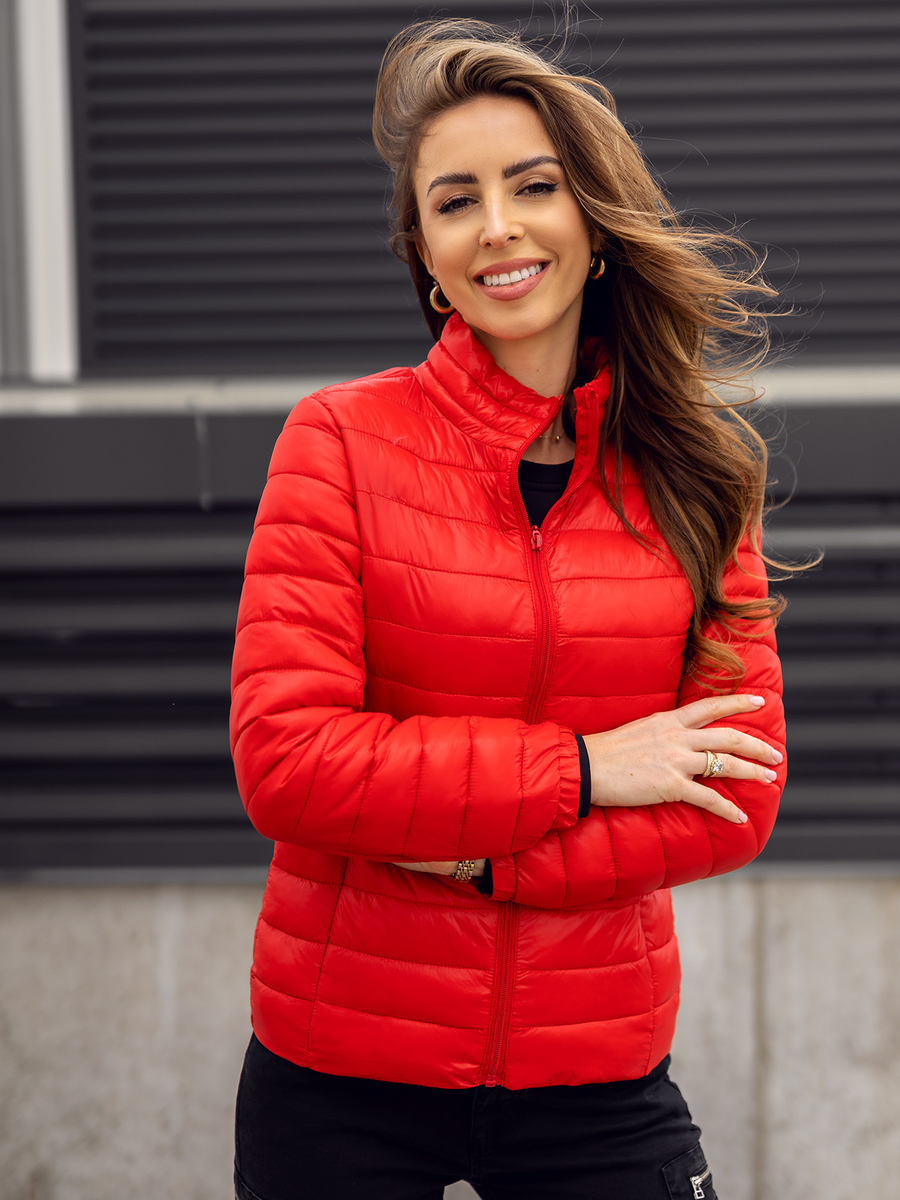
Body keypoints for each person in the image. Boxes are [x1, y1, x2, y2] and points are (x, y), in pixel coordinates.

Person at [230, 18, 787, 1200]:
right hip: (341, 1075)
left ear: (596, 224)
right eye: (455, 201)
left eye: (534, 186)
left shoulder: (695, 475)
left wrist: (479, 863)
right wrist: (583, 771)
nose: (498, 225)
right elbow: (289, 763)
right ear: (427, 260)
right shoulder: (336, 443)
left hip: (596, 1072)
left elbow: (733, 797)